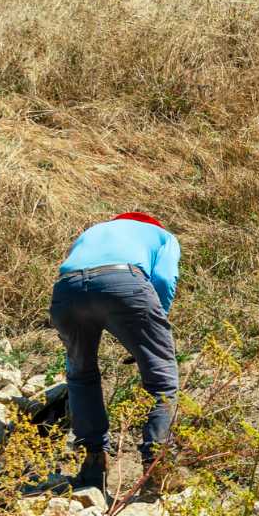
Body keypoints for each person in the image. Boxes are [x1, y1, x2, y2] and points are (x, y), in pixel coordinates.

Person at [48, 211, 181, 496]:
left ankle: (93, 463)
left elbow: (82, 273)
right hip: (125, 283)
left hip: (66, 290)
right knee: (162, 379)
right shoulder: (163, 236)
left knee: (80, 375)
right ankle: (156, 467)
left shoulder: (94, 231)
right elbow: (163, 279)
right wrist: (152, 329)